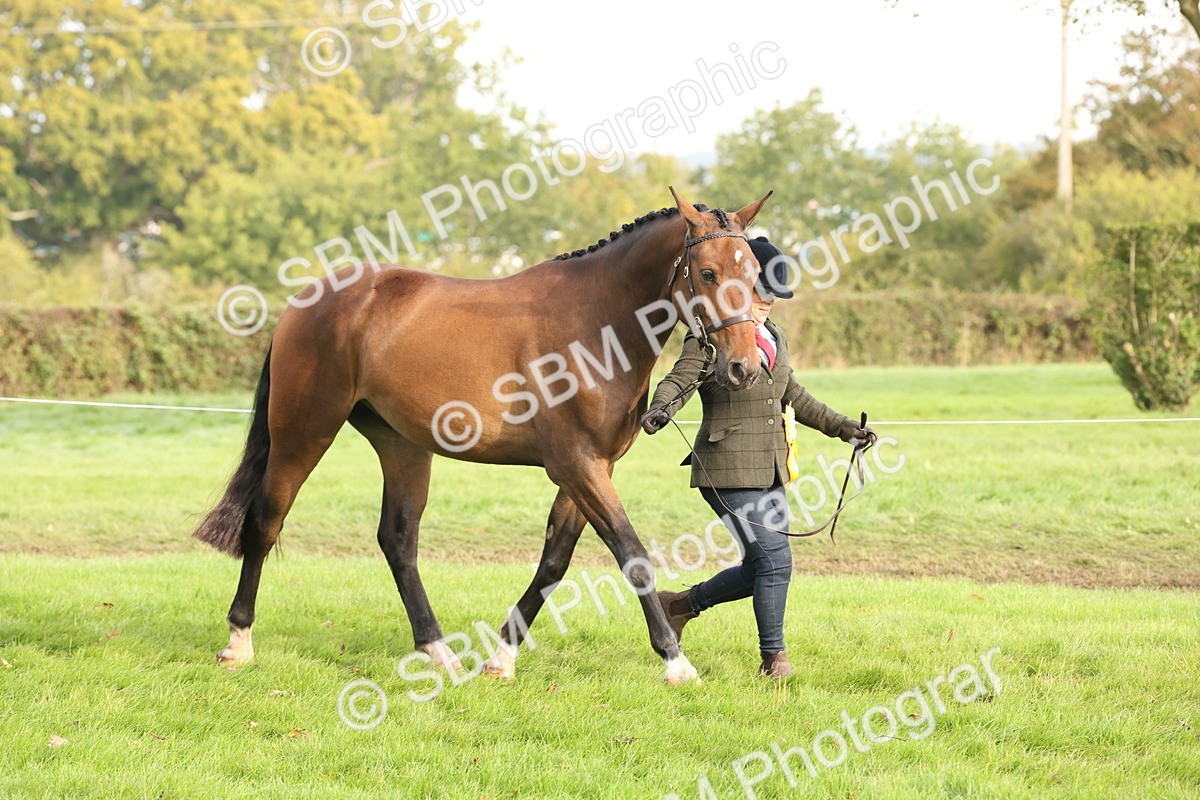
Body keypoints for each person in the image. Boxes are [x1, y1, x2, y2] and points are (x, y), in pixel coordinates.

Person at [639, 236, 875, 679]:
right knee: (776, 561)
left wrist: (846, 429)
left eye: (774, 296)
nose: (768, 303)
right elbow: (680, 378)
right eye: (760, 293)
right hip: (726, 468)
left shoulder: (774, 337)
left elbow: (794, 395)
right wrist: (661, 407)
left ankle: (679, 605)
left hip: (770, 469)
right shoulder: (710, 335)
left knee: (759, 567)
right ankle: (774, 660)